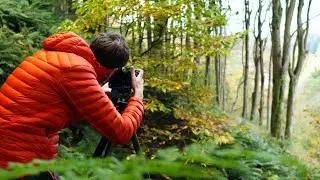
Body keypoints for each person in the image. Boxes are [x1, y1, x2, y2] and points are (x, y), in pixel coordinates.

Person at [0, 32, 144, 179]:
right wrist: (138, 96)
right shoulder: (77, 70)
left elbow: (51, 109)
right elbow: (121, 132)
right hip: (19, 152)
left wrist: (99, 94)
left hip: (11, 144)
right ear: (111, 70)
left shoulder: (59, 56)